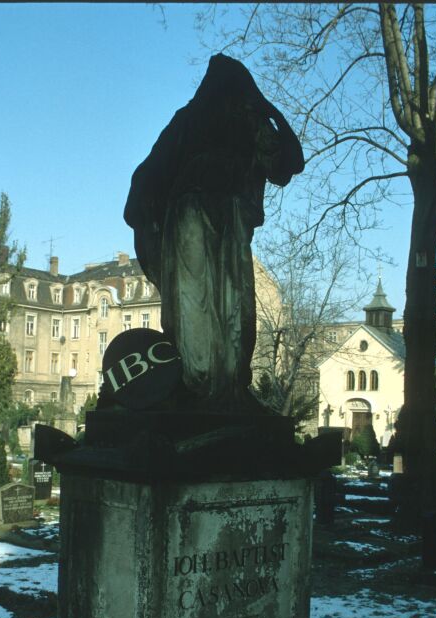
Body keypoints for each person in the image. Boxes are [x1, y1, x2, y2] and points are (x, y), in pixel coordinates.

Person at [124, 53, 304, 409]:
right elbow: (288, 163)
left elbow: (288, 163)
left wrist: (266, 109)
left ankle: (220, 387)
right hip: (196, 215)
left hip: (216, 218)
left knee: (226, 306)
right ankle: (206, 389)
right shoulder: (212, 120)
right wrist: (266, 109)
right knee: (208, 304)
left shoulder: (223, 120)